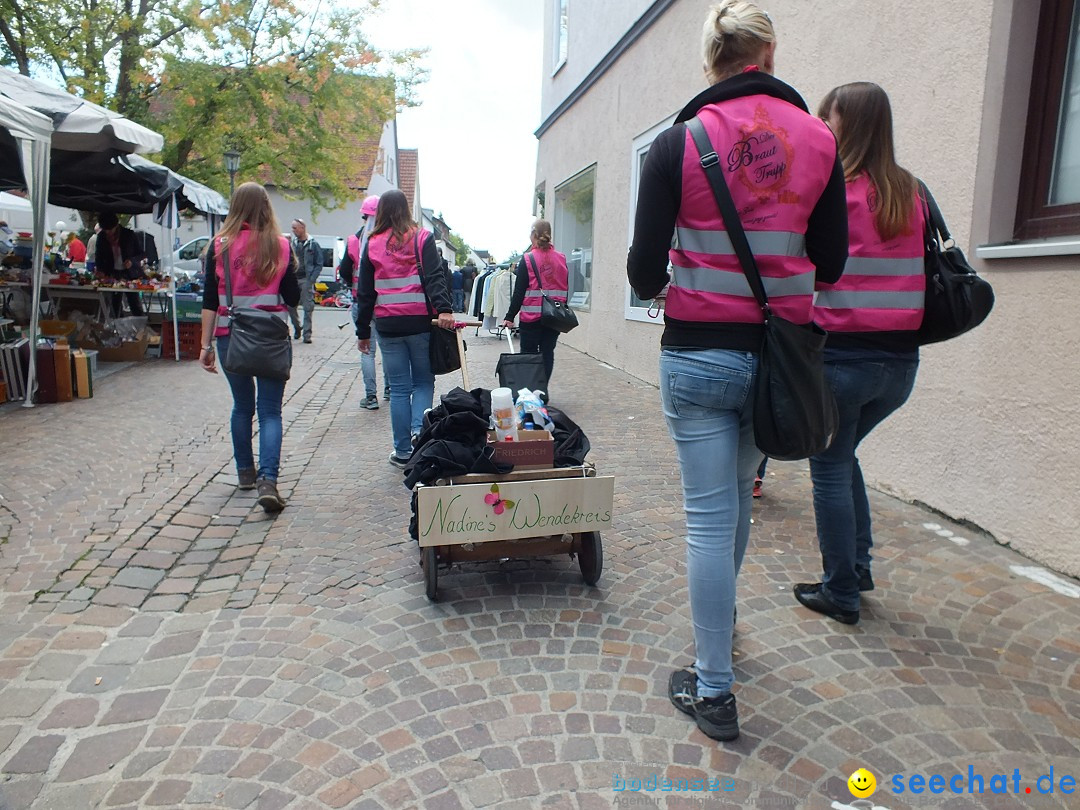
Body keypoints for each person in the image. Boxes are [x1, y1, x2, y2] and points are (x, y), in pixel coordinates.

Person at [627, 0, 847, 741]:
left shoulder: (678, 144)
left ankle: (713, 684)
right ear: (770, 54)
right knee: (739, 506)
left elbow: (638, 271)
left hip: (696, 355)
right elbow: (837, 262)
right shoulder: (819, 140)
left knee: (707, 518)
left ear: (712, 59)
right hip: (774, 360)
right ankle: (720, 638)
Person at [793, 82, 926, 625]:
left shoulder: (836, 192)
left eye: (832, 118)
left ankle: (841, 590)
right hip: (899, 367)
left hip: (841, 361)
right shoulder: (913, 193)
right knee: (843, 458)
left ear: (850, 126)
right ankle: (859, 567)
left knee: (827, 469)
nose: (825, 125)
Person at [198, 182, 300, 513]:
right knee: (270, 411)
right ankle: (268, 480)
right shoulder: (281, 246)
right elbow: (294, 297)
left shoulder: (220, 246)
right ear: (266, 208)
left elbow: (209, 301)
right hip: (270, 337)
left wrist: (205, 345)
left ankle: (245, 472)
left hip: (231, 338)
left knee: (242, 407)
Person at [355, 189, 454, 468]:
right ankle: (417, 435)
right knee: (423, 381)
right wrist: (444, 308)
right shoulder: (421, 238)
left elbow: (365, 292)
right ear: (407, 209)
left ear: (381, 211)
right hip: (420, 322)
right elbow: (435, 277)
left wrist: (363, 331)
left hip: (387, 325)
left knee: (399, 389)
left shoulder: (372, 243)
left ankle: (401, 452)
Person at [500, 219, 569, 388]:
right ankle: (542, 391)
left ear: (533, 235)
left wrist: (509, 317)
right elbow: (565, 287)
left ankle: (530, 391)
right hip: (554, 317)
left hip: (531, 318)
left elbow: (519, 292)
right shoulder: (561, 258)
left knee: (529, 356)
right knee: (547, 353)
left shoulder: (528, 259)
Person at [338, 194, 386, 410]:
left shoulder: (353, 241)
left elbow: (345, 272)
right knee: (387, 349)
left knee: (367, 349)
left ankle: (371, 395)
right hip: (385, 303)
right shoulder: (388, 241)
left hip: (360, 301)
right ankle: (390, 389)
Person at [95, 212, 147, 318]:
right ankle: (118, 326)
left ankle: (140, 327)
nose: (108, 233)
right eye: (106, 230)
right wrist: (100, 270)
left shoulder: (128, 235)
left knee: (134, 302)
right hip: (112, 274)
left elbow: (141, 253)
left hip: (130, 274)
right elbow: (99, 256)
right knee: (115, 304)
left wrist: (132, 261)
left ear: (116, 226)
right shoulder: (101, 237)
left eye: (110, 229)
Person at [288, 218, 321, 343]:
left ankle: (307, 334)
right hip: (293, 279)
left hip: (306, 279)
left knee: (308, 307)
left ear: (302, 228)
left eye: (295, 228)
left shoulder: (313, 244)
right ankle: (297, 327)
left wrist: (312, 279)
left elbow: (319, 263)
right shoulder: (292, 244)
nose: (293, 230)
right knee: (291, 306)